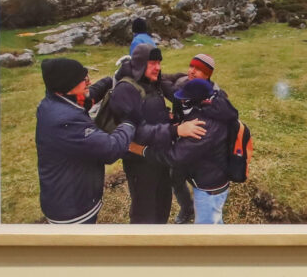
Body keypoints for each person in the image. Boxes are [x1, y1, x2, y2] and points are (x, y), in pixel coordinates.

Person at [32, 57, 129, 225]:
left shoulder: (54, 102)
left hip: (63, 198)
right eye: (83, 79)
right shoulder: (66, 121)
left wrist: (113, 78)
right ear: (66, 85)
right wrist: (130, 121)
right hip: (73, 209)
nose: (89, 81)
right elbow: (110, 149)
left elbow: (89, 97)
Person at [101, 44, 180, 223]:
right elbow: (136, 131)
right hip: (139, 162)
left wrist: (169, 120)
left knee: (163, 206)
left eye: (159, 62)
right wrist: (174, 130)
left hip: (160, 157)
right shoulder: (126, 89)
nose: (158, 67)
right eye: (153, 63)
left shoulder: (152, 82)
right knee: (144, 214)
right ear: (140, 63)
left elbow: (154, 113)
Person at [150, 77, 240, 224]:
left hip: (209, 190)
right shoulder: (209, 109)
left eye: (185, 100)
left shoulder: (202, 125)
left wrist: (145, 150)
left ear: (195, 101)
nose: (181, 102)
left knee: (206, 231)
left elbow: (174, 156)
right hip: (211, 181)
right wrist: (175, 124)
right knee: (215, 223)